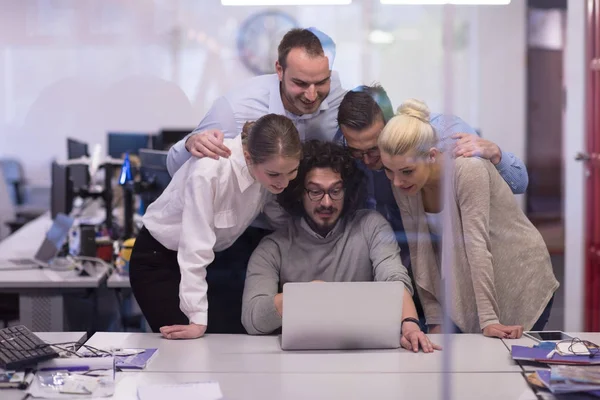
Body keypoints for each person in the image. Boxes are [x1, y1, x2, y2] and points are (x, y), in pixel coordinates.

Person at [336, 85, 531, 328]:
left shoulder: (448, 137)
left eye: (374, 148)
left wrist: (496, 153)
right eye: (357, 151)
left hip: (491, 264)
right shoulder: (352, 150)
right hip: (424, 273)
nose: (367, 160)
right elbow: (416, 245)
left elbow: (516, 187)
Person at [377, 99, 559, 338]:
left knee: (505, 369)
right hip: (471, 285)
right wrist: (433, 318)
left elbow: (476, 246)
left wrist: (489, 321)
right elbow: (420, 251)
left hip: (520, 276)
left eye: (406, 172)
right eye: (388, 171)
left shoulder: (467, 170)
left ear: (431, 156)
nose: (397, 181)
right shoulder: (405, 181)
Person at [242, 140, 441, 353]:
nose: (327, 202)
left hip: (365, 355)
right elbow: (252, 318)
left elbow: (394, 279)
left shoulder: (370, 225)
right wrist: (301, 297)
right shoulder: (273, 247)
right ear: (299, 192)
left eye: (336, 190)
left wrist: (409, 323)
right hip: (299, 361)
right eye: (315, 192)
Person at [129, 114, 302, 340]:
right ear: (248, 157)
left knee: (223, 346)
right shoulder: (208, 172)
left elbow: (277, 217)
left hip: (206, 264)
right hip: (158, 260)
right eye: (274, 175)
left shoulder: (268, 170)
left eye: (292, 172)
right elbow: (195, 247)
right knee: (187, 349)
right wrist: (197, 319)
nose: (283, 182)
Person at [166, 27, 346, 175]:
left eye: (321, 82)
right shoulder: (235, 109)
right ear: (279, 70)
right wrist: (191, 144)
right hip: (250, 216)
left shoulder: (340, 96)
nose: (312, 95)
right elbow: (174, 166)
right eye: (300, 83)